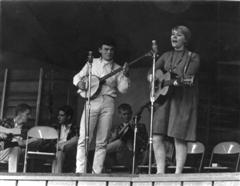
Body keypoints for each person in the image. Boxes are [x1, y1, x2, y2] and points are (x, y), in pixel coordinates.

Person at [147, 25, 200, 174]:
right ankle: (160, 172)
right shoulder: (165, 55)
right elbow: (151, 71)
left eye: (178, 35)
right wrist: (152, 78)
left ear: (186, 39)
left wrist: (175, 81)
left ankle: (177, 174)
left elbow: (187, 77)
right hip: (164, 99)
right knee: (157, 136)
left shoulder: (193, 57)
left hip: (181, 99)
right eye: (172, 34)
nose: (174, 37)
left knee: (178, 137)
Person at [73, 39, 130, 174]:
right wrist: (79, 83)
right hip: (91, 101)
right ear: (100, 50)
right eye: (106, 49)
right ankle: (80, 171)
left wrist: (126, 76)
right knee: (84, 138)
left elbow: (123, 89)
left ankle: (96, 173)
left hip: (108, 102)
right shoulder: (91, 63)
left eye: (111, 50)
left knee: (102, 140)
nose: (109, 52)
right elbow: (77, 77)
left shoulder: (118, 68)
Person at [105, 103, 148, 171]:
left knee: (118, 143)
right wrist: (114, 137)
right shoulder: (116, 128)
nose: (127, 116)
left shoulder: (141, 126)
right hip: (120, 156)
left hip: (135, 156)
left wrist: (135, 131)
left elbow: (144, 144)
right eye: (124, 114)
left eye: (128, 114)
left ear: (131, 114)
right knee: (116, 144)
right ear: (120, 115)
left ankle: (98, 152)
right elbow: (110, 145)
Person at [0, 103, 32, 172]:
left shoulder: (26, 130)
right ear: (20, 113)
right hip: (1, 150)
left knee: (16, 148)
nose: (30, 117)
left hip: (14, 152)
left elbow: (22, 143)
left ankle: (12, 175)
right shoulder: (5, 122)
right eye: (27, 114)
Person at [52, 105, 78, 173]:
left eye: (62, 115)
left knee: (76, 139)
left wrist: (63, 145)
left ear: (68, 117)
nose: (58, 117)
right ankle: (56, 178)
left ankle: (62, 146)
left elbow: (75, 143)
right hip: (57, 150)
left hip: (69, 151)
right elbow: (51, 142)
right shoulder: (55, 127)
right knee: (59, 153)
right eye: (58, 115)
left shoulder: (75, 128)